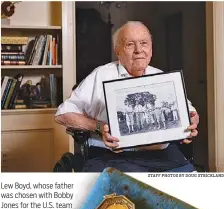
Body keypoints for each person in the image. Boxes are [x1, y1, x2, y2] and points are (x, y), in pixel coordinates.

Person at [55, 21, 199, 172]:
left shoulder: (162, 78)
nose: (138, 50)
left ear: (151, 48)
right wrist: (98, 127)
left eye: (144, 43)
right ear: (118, 50)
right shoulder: (101, 75)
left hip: (160, 155)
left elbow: (191, 114)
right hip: (111, 155)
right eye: (130, 44)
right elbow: (62, 114)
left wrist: (191, 122)